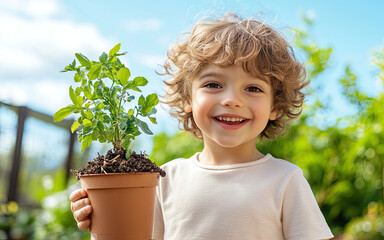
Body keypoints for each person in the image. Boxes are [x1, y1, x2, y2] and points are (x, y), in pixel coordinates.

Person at [70, 13, 334, 240]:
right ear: (187, 99)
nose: (232, 100)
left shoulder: (285, 180)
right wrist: (102, 220)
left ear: (275, 106)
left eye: (253, 88)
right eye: (214, 84)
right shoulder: (162, 180)